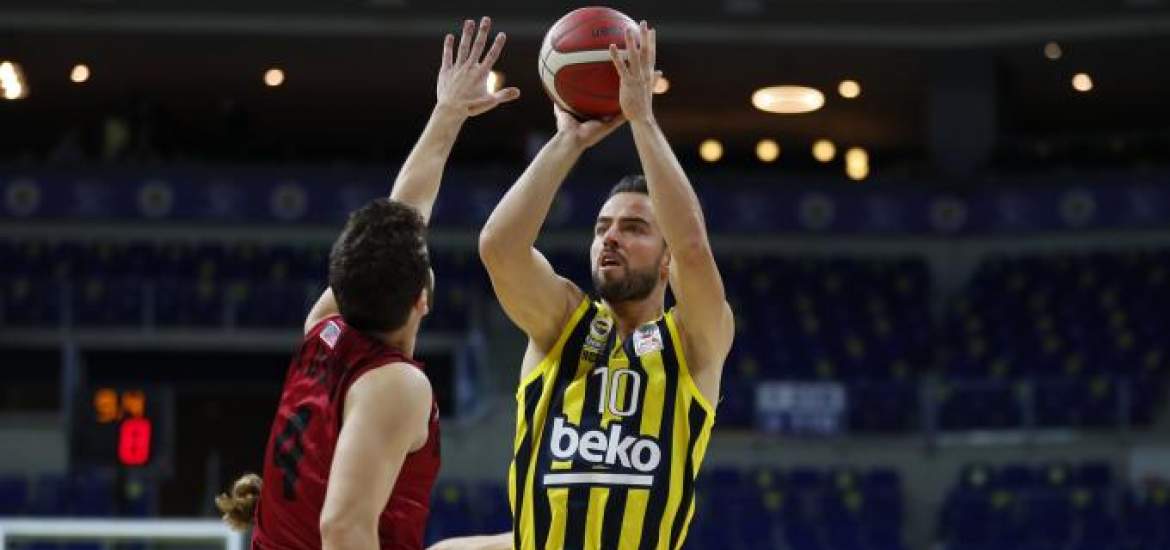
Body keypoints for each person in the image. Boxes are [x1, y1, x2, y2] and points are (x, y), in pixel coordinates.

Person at [213, 17, 519, 550]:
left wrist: (448, 112)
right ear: (423, 299)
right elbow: (342, 528)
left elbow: (403, 216)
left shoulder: (324, 328)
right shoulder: (395, 383)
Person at [444, 21, 735, 550]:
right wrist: (567, 141)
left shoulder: (694, 342)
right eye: (602, 228)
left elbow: (694, 249)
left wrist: (642, 119)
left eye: (634, 228)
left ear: (667, 259)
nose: (611, 238)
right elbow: (499, 248)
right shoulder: (562, 324)